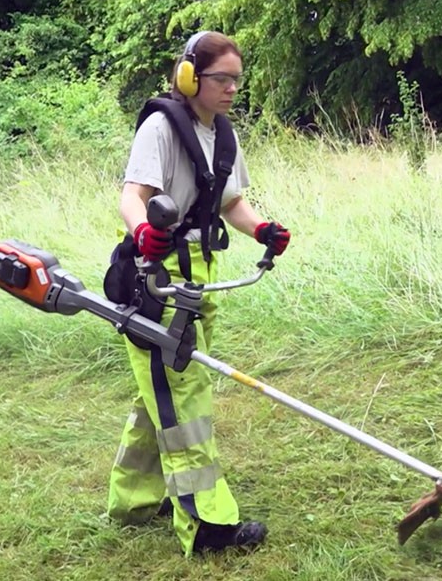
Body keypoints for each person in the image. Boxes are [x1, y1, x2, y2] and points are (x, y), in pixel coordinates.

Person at [106, 30, 291, 556]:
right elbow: (132, 197)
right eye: (221, 79)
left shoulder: (222, 134)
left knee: (162, 393)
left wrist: (262, 230)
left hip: (201, 275)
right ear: (190, 76)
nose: (232, 88)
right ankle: (209, 526)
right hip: (156, 277)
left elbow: (231, 203)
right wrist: (144, 232)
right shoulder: (163, 126)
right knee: (183, 398)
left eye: (237, 79)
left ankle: (134, 501)